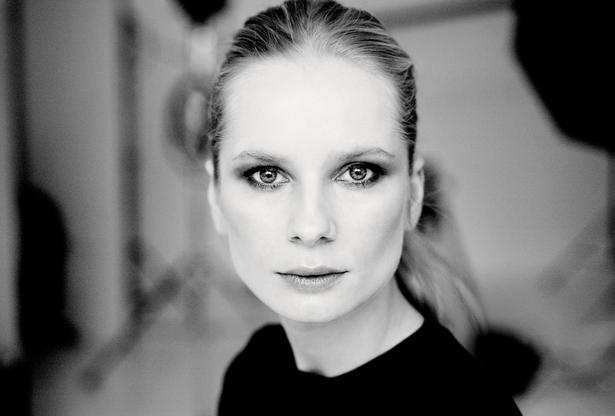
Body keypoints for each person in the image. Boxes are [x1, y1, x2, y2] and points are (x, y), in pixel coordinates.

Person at [204, 0, 522, 414]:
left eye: (358, 173)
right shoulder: (252, 374)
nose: (311, 226)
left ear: (414, 194)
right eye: (267, 175)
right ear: (215, 197)